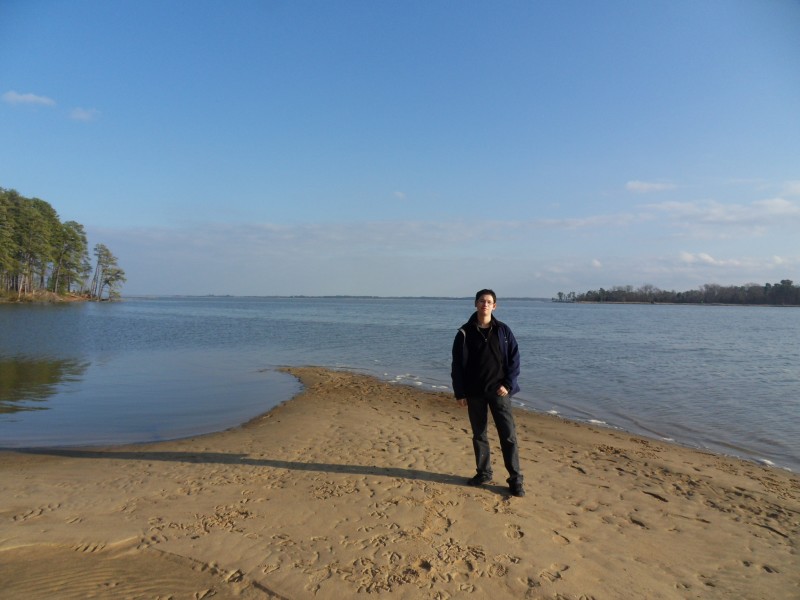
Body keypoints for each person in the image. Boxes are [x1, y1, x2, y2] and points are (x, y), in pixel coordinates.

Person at [451, 289, 524, 497]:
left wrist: (508, 385)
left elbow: (514, 360)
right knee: (479, 435)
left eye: (489, 301)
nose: (485, 304)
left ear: (494, 306)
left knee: (508, 436)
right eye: (482, 301)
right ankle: (484, 473)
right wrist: (460, 392)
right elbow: (457, 366)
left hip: (499, 392)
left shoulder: (503, 331)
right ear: (475, 304)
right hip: (474, 392)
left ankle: (515, 480)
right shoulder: (464, 333)